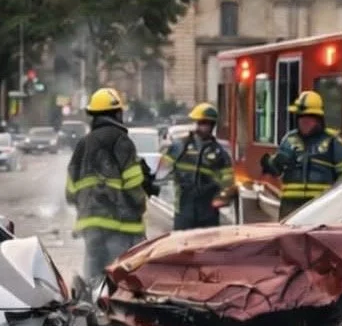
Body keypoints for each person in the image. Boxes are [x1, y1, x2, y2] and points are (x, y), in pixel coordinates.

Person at [65, 86, 148, 279]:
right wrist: (139, 207)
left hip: (91, 229)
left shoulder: (83, 144)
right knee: (118, 282)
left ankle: (92, 308)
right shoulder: (121, 141)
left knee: (94, 281)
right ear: (118, 113)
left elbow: (70, 192)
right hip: (120, 227)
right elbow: (133, 186)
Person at [262, 90, 342, 219]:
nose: (304, 122)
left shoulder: (333, 141)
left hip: (321, 206)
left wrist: (337, 203)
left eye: (309, 118)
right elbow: (274, 171)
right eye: (301, 118)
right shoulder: (289, 139)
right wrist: (270, 162)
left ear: (318, 119)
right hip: (290, 207)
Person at [158, 102, 237, 230]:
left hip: (208, 212)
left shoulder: (220, 153)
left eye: (204, 123)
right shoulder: (180, 146)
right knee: (182, 247)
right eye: (199, 122)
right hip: (184, 210)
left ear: (212, 125)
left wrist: (222, 198)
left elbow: (229, 182)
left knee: (207, 247)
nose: (200, 126)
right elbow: (162, 171)